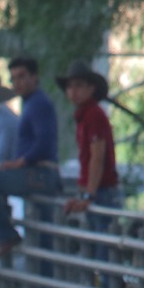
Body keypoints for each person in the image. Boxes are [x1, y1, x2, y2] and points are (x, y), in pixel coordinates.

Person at [0, 55, 60, 273]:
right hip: (34, 172)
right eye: (13, 78)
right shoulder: (30, 103)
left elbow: (44, 143)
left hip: (41, 173)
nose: (17, 83)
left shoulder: (39, 104)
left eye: (22, 77)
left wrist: (20, 162)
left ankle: (4, 235)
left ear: (34, 77)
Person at [57, 61, 120, 217]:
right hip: (95, 190)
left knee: (103, 238)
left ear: (91, 88)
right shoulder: (84, 116)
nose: (73, 91)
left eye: (78, 86)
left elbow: (97, 157)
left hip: (103, 191)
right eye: (70, 87)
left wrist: (88, 196)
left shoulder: (94, 115)